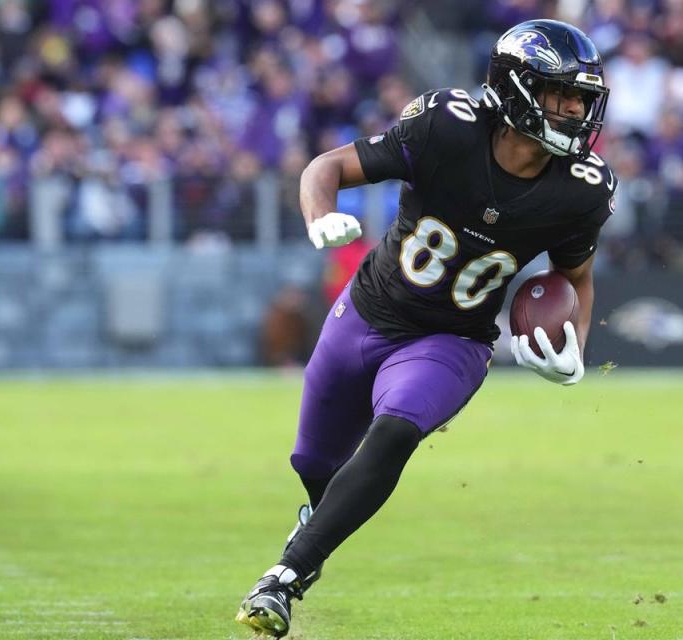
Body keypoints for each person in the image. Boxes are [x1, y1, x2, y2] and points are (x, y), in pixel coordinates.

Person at [235, 19, 616, 637]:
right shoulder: (448, 125)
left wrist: (574, 342)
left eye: (584, 98)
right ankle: (316, 521)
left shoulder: (582, 190)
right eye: (562, 94)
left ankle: (283, 578)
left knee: (394, 432)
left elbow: (576, 277)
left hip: (452, 339)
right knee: (315, 464)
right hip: (366, 311)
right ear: (518, 90)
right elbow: (325, 166)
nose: (577, 110)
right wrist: (319, 217)